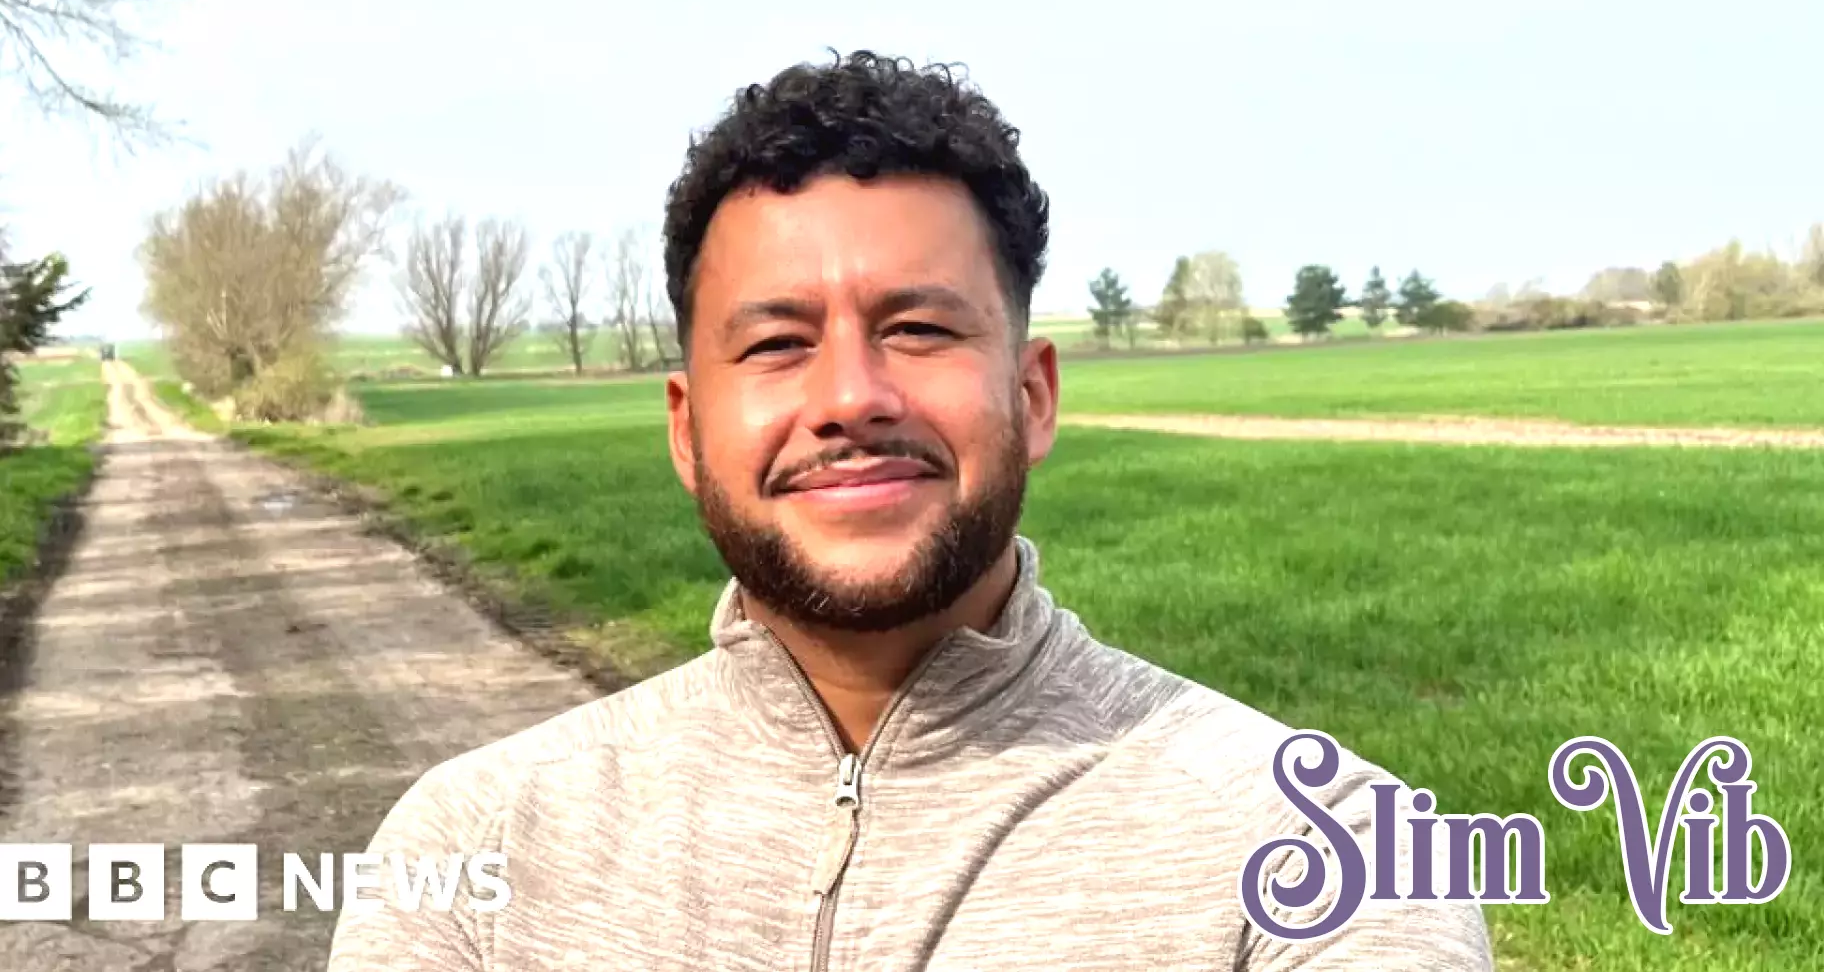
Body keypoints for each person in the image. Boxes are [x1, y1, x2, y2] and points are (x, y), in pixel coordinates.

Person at [328, 50, 1494, 970]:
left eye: (920, 329)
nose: (851, 397)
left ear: (1031, 396)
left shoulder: (1326, 854)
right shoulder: (473, 848)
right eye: (777, 344)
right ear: (686, 430)